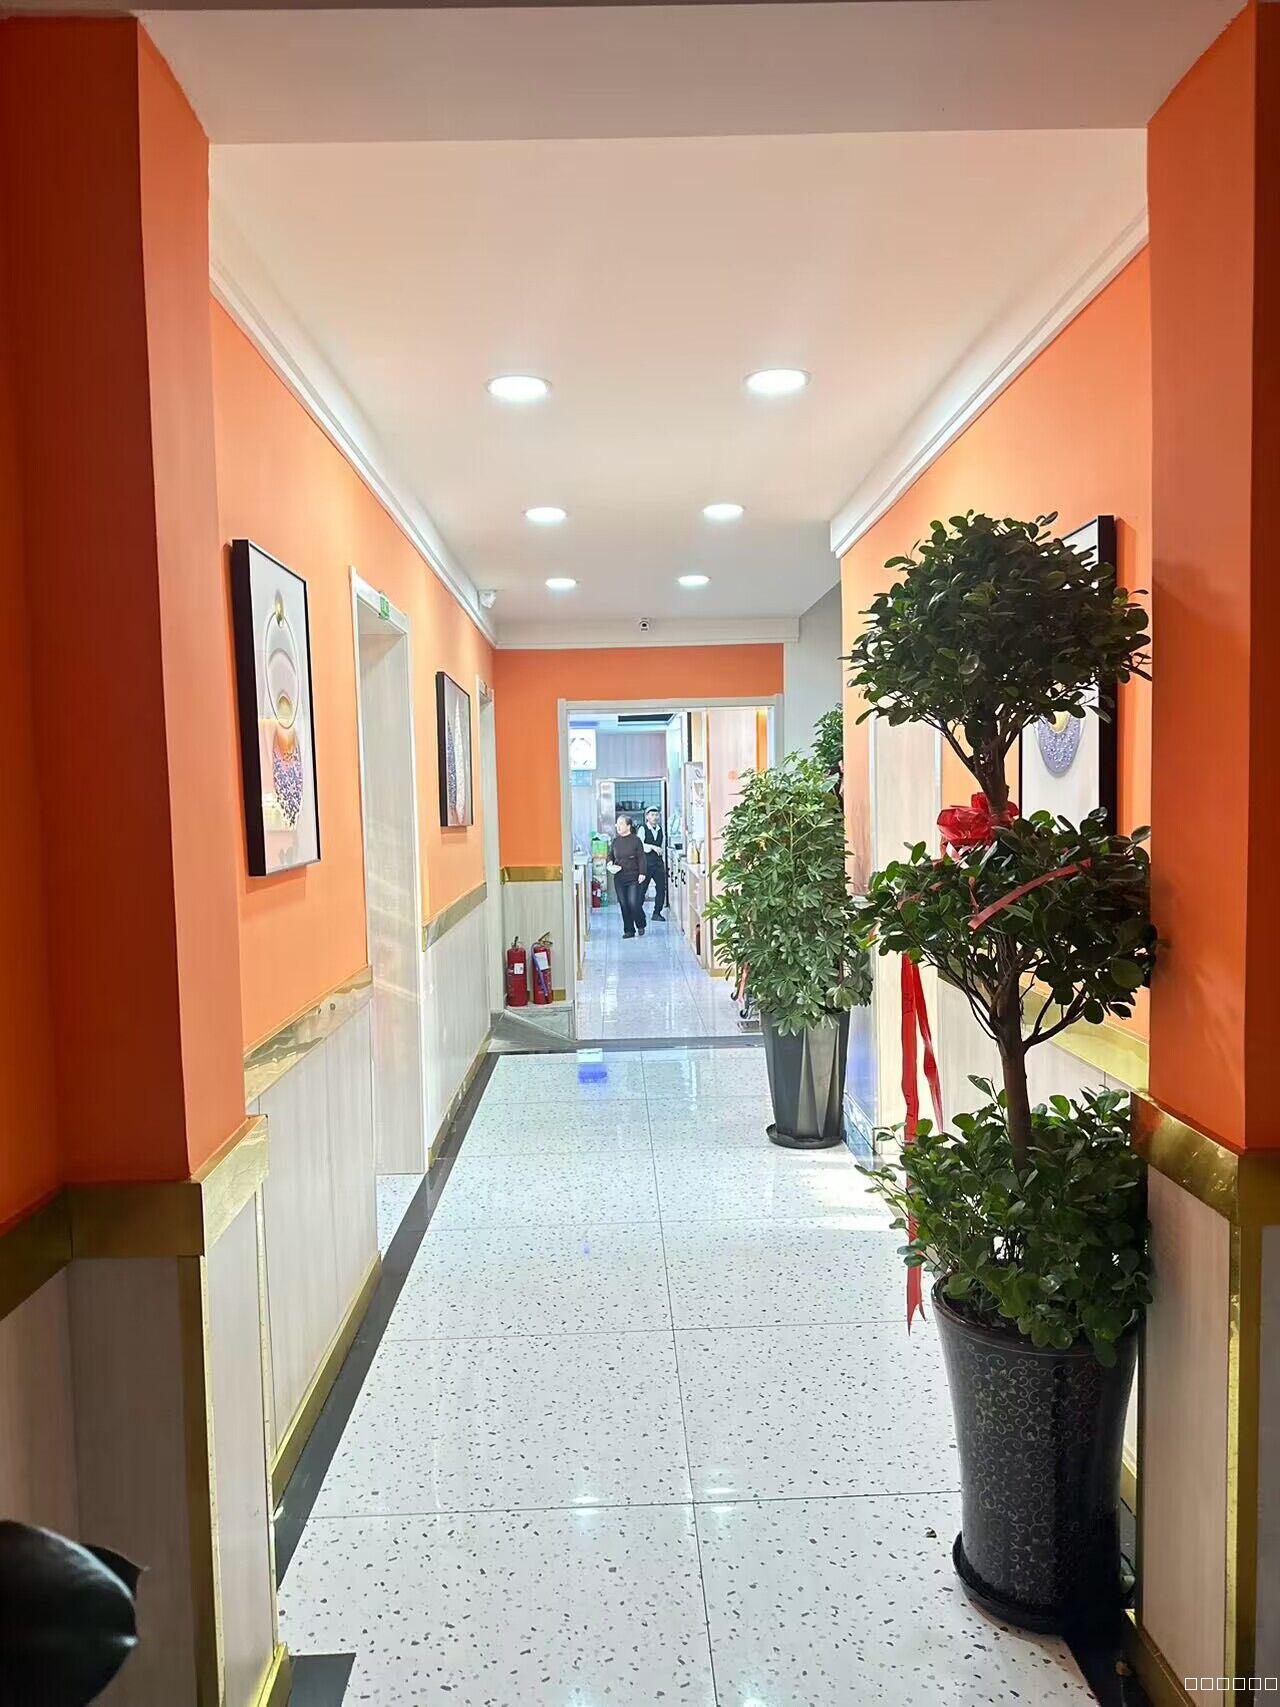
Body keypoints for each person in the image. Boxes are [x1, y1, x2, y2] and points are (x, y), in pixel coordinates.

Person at [606, 813, 647, 938]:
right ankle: (629, 930)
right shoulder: (615, 841)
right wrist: (609, 862)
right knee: (624, 904)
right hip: (619, 877)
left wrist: (642, 873)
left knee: (633, 903)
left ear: (628, 826)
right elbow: (610, 855)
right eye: (617, 824)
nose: (618, 826)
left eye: (621, 824)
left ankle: (641, 923)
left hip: (634, 876)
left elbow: (641, 857)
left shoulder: (636, 840)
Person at [638, 806, 668, 921]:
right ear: (647, 817)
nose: (655, 817)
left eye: (656, 815)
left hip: (658, 863)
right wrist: (652, 847)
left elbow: (662, 846)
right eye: (652, 815)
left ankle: (657, 913)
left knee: (661, 888)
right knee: (642, 889)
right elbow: (640, 846)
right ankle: (637, 912)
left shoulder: (660, 830)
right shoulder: (643, 829)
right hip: (646, 863)